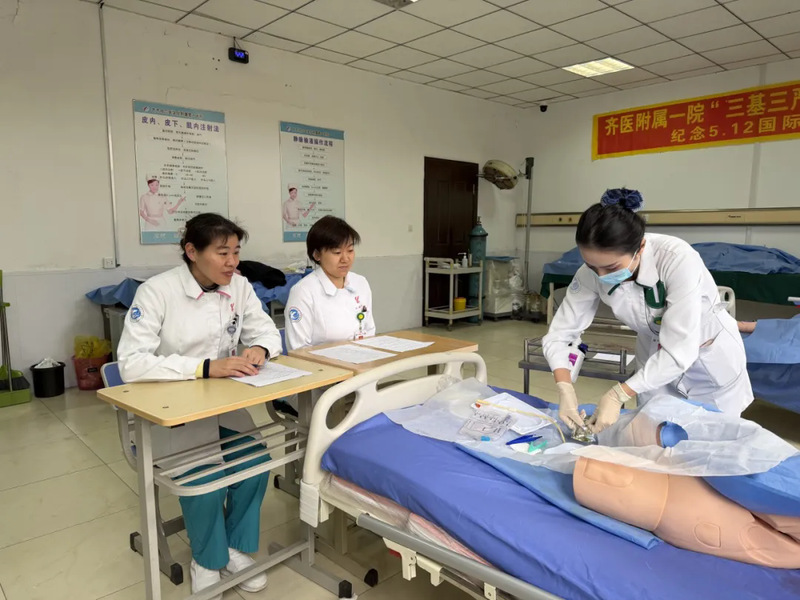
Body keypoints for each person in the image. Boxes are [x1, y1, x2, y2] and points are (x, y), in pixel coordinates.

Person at [117, 213, 282, 599]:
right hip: (172, 411)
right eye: (222, 253)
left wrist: (260, 348)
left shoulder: (239, 286)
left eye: (236, 252)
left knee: (256, 463)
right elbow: (131, 363)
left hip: (222, 405)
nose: (232, 262)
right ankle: (207, 560)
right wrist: (204, 368)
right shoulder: (157, 292)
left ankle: (235, 548)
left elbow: (265, 329)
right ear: (192, 251)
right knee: (204, 481)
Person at [543, 188, 752, 434]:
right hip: (653, 357)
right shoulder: (591, 272)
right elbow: (561, 334)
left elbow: (679, 350)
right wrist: (565, 388)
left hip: (705, 356)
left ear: (640, 247)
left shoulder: (677, 259)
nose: (601, 276)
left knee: (712, 438)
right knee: (652, 435)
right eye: (591, 266)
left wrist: (618, 394)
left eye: (611, 267)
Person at [285, 215, 375, 351]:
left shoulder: (360, 283)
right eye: (337, 252)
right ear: (317, 255)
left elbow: (369, 331)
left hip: (361, 358)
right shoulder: (303, 291)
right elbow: (298, 349)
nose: (345, 259)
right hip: (321, 363)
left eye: (350, 250)